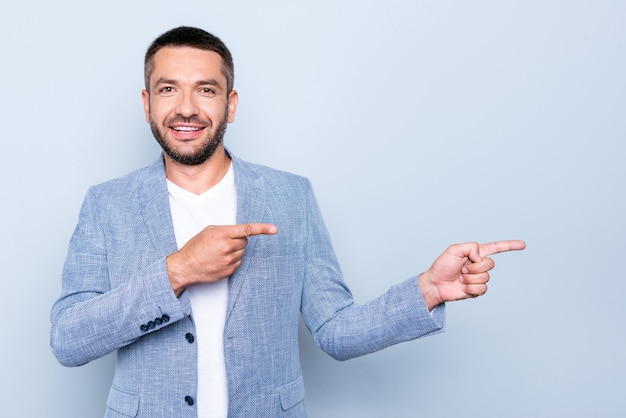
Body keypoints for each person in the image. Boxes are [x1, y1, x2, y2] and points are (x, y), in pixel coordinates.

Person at [50, 26, 525, 418]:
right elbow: (69, 340)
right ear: (147, 103)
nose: (187, 107)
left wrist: (427, 291)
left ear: (231, 104)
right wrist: (179, 271)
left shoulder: (289, 196)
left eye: (206, 89)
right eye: (168, 88)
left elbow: (335, 330)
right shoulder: (106, 205)